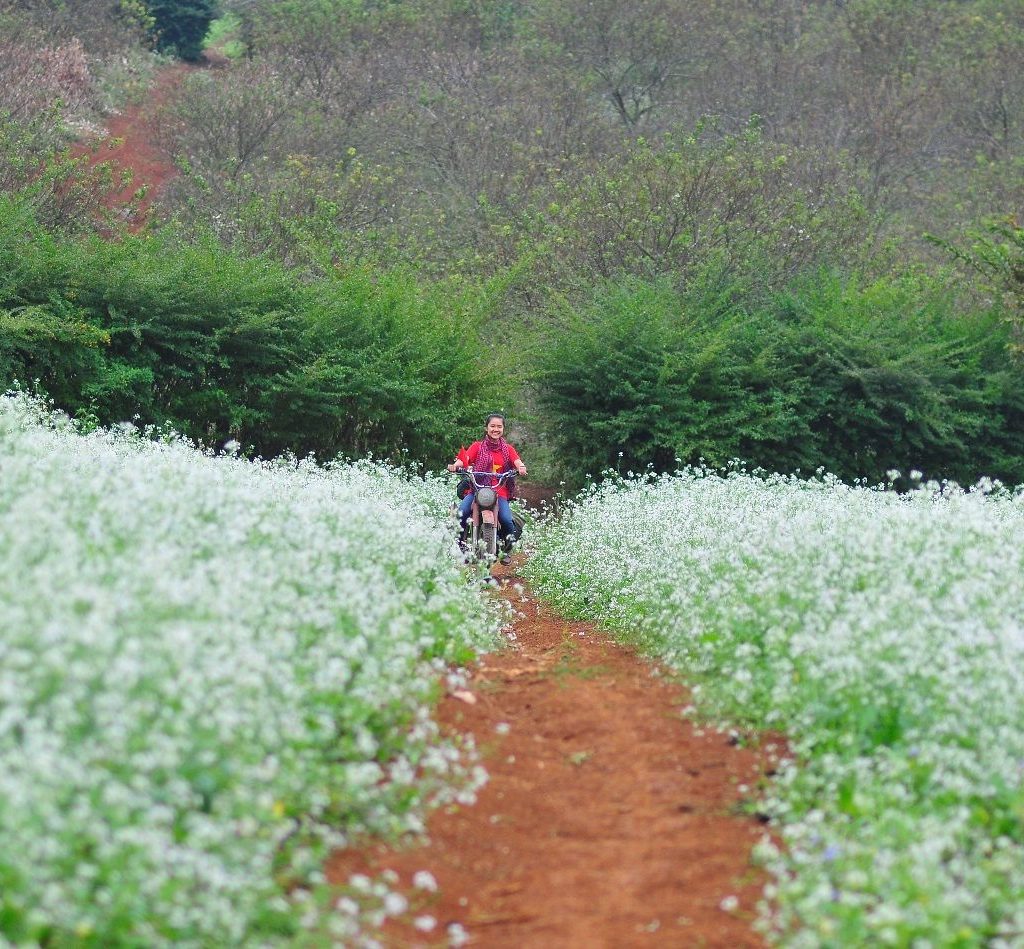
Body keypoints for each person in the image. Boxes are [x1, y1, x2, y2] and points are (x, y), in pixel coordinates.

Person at [447, 413, 527, 560]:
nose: (495, 429)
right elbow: (463, 460)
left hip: (499, 492)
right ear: (486, 428)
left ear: (503, 429)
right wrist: (455, 466)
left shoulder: (508, 449)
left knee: (507, 521)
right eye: (492, 426)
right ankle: (462, 546)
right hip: (476, 490)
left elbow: (517, 461)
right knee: (460, 515)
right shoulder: (477, 446)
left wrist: (521, 467)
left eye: (499, 426)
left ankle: (504, 549)